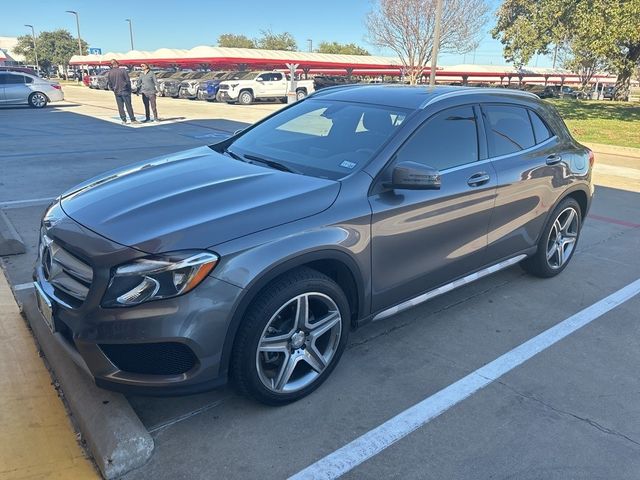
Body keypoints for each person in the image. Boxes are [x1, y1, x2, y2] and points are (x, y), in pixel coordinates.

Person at [106, 59, 137, 124]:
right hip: (125, 90)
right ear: (118, 64)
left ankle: (123, 119)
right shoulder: (123, 70)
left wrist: (113, 89)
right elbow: (128, 81)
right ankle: (132, 119)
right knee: (128, 105)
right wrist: (129, 89)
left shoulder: (110, 72)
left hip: (116, 92)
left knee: (120, 106)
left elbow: (109, 83)